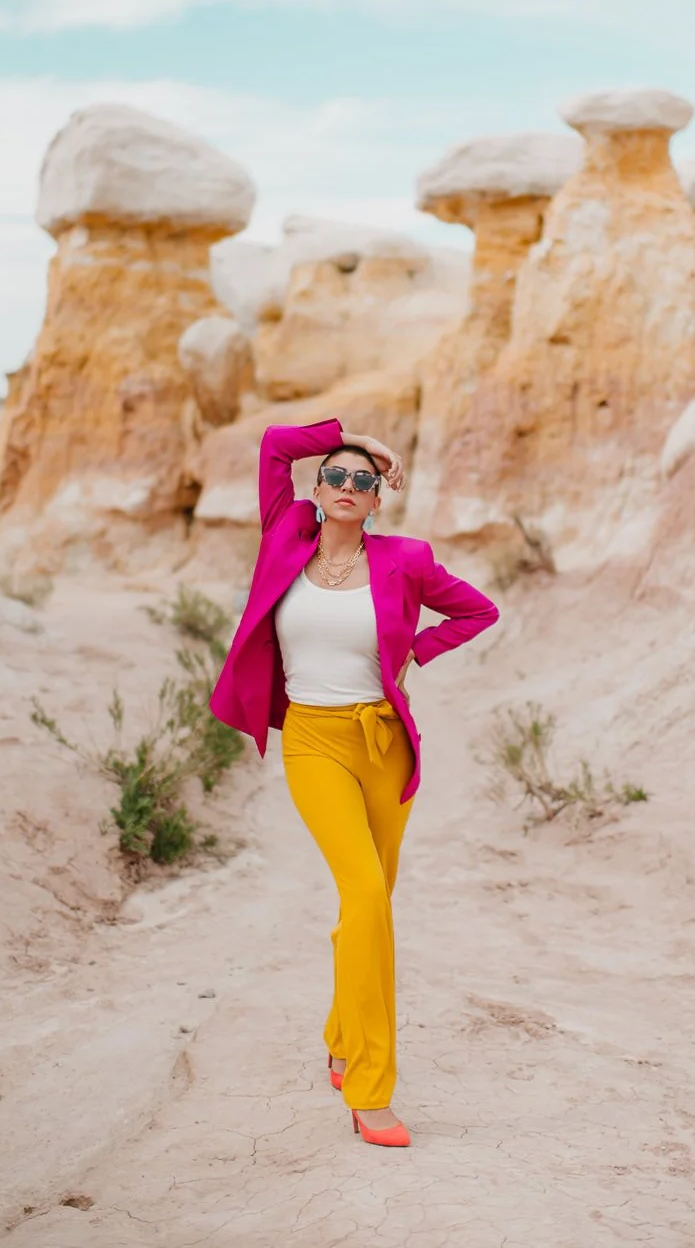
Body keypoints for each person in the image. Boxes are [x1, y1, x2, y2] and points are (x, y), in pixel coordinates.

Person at [209, 419, 499, 1147]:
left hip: (384, 744)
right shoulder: (284, 535)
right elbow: (276, 443)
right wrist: (363, 441)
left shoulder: (406, 559)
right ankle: (370, 1090)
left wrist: (415, 653)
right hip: (313, 740)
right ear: (316, 490)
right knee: (366, 895)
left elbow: (478, 610)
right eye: (335, 476)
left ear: (376, 501)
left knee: (369, 903)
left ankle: (340, 1036)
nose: (346, 485)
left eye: (362, 481)